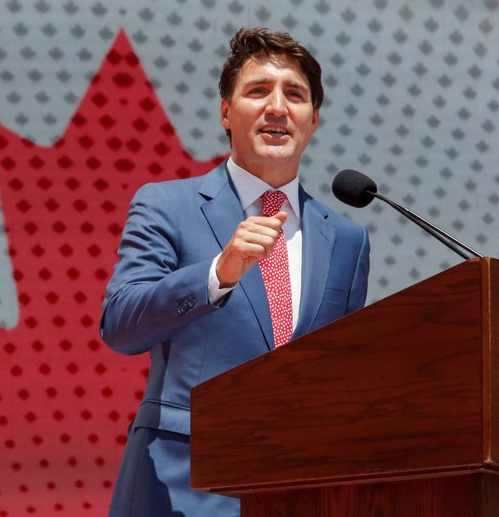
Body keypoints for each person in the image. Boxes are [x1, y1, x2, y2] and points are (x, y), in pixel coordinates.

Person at [100, 27, 370, 516]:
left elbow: (340, 377)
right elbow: (120, 325)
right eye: (257, 91)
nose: (277, 107)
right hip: (181, 480)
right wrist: (217, 275)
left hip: (299, 488)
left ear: (313, 120)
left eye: (295, 95)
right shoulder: (167, 205)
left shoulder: (347, 241)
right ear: (226, 112)